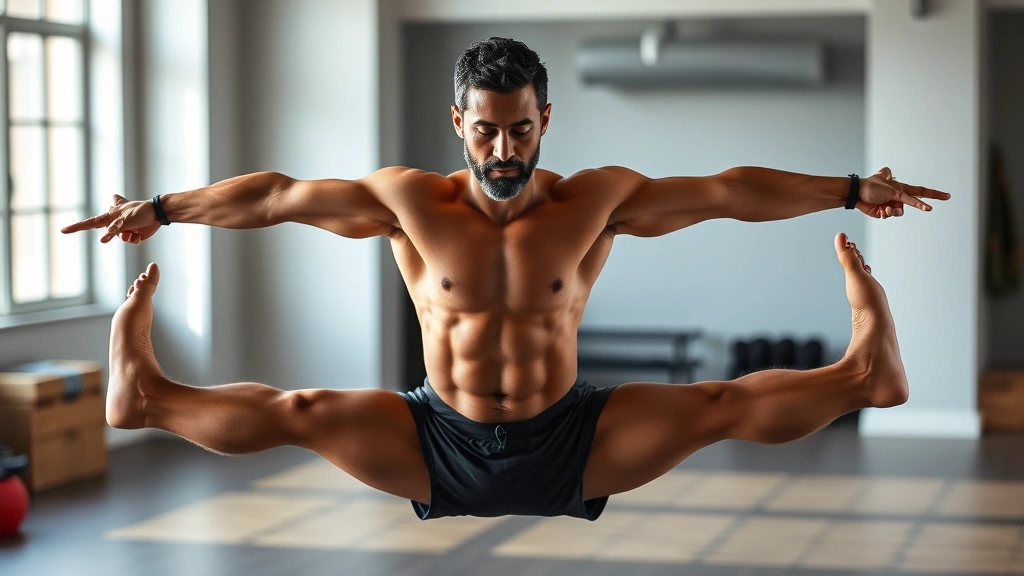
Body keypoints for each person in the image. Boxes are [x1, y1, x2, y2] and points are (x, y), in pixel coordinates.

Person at [63, 37, 948, 520]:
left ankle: (868, 375)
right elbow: (279, 197)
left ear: (545, 119)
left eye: (521, 130)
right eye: (485, 131)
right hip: (435, 438)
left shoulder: (596, 200)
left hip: (572, 437)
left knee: (719, 406)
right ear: (459, 121)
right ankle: (146, 397)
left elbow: (723, 192)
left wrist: (844, 189)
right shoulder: (407, 201)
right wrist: (166, 207)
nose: (503, 151)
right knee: (300, 413)